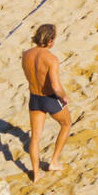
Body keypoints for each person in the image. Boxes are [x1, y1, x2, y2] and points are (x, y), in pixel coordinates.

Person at [21, 24, 71, 184]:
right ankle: (54, 162)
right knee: (66, 124)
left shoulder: (26, 54)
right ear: (50, 40)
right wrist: (64, 97)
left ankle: (36, 174)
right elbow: (56, 87)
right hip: (49, 98)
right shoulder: (51, 59)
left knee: (35, 137)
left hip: (34, 97)